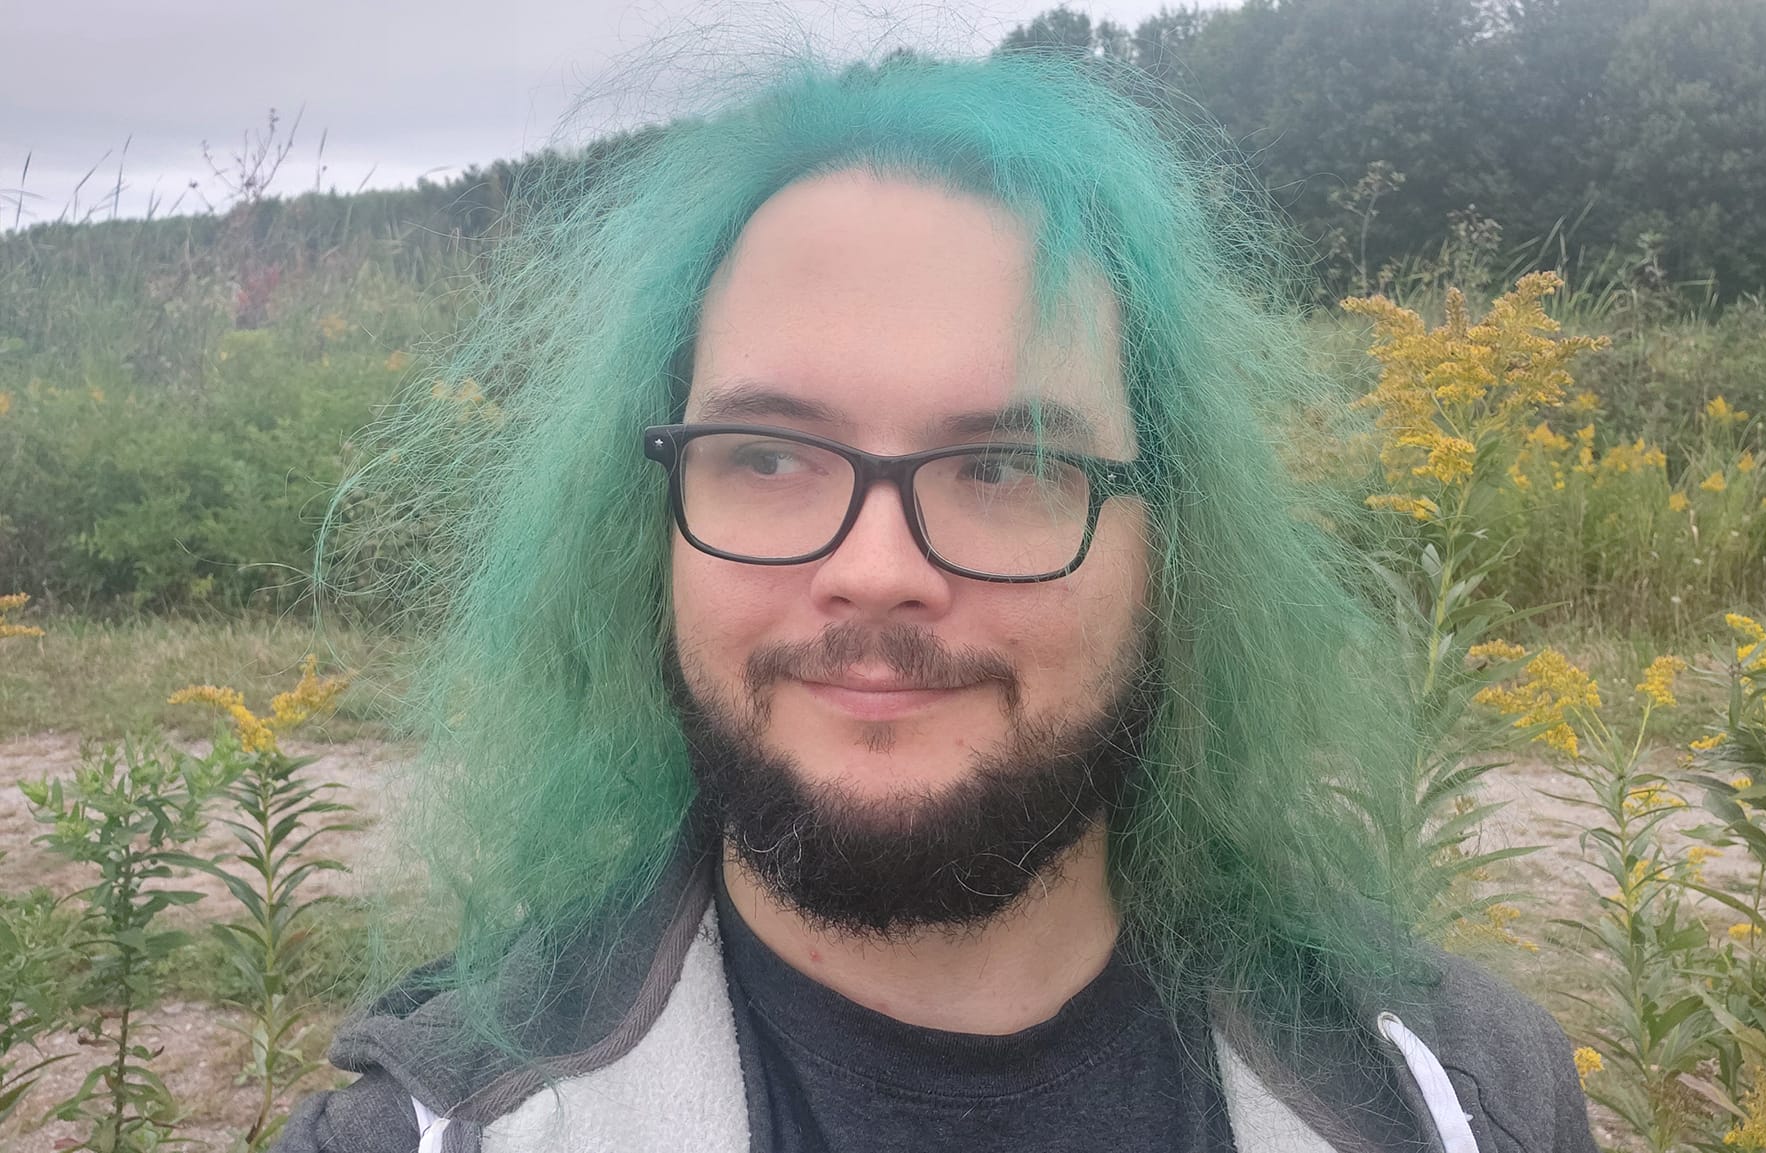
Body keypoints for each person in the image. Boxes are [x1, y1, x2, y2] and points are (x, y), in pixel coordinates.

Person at [282, 52, 1597, 1153]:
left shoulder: (1462, 1103)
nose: (874, 566)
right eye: (771, 455)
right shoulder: (431, 1129)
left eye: (1008, 464)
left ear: (1173, 547)